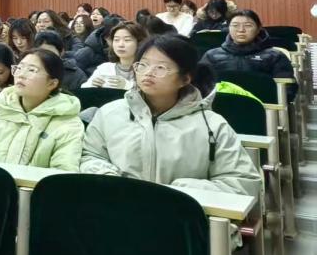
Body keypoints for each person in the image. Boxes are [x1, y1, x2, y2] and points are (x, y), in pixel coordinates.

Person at [81, 36, 262, 199]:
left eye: (160, 67)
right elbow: (90, 156)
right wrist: (112, 181)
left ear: (185, 79)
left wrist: (177, 193)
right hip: (117, 209)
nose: (148, 72)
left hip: (183, 219)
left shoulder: (212, 125)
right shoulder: (110, 113)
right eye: (142, 65)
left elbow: (242, 183)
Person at [0, 50, 83, 170]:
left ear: (52, 83)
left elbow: (62, 174)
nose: (21, 75)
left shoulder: (68, 125)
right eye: (19, 68)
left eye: (31, 70)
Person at [202, 10, 297, 99]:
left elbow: (288, 89)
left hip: (265, 107)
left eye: (248, 26)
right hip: (220, 105)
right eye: (235, 25)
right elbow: (201, 85)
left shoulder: (275, 56)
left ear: (258, 29)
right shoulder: (212, 55)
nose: (241, 30)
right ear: (228, 28)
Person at [83, 21, 147, 90]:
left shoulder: (147, 70)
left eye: (127, 40)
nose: (120, 45)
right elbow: (83, 89)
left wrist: (128, 86)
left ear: (139, 43)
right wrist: (92, 84)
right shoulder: (104, 68)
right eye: (116, 40)